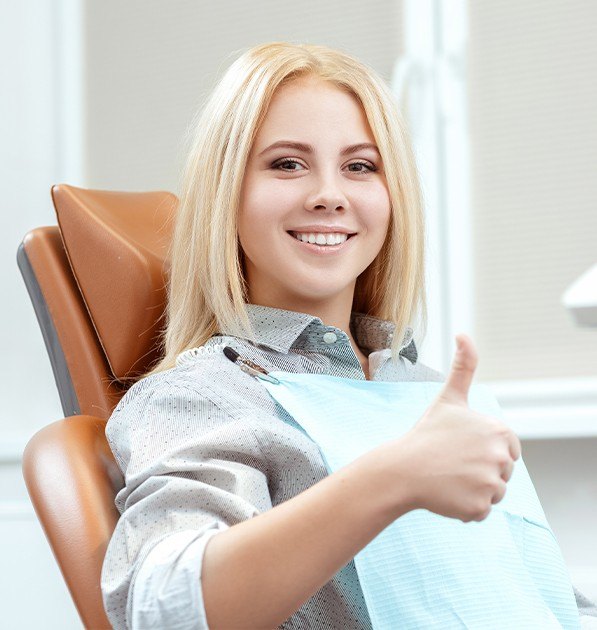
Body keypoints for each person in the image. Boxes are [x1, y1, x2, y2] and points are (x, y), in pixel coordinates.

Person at [100, 41, 596, 629]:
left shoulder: (423, 390)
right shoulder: (206, 394)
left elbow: (534, 597)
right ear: (226, 192)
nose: (328, 194)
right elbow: (164, 609)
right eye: (287, 163)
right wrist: (393, 477)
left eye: (360, 166)